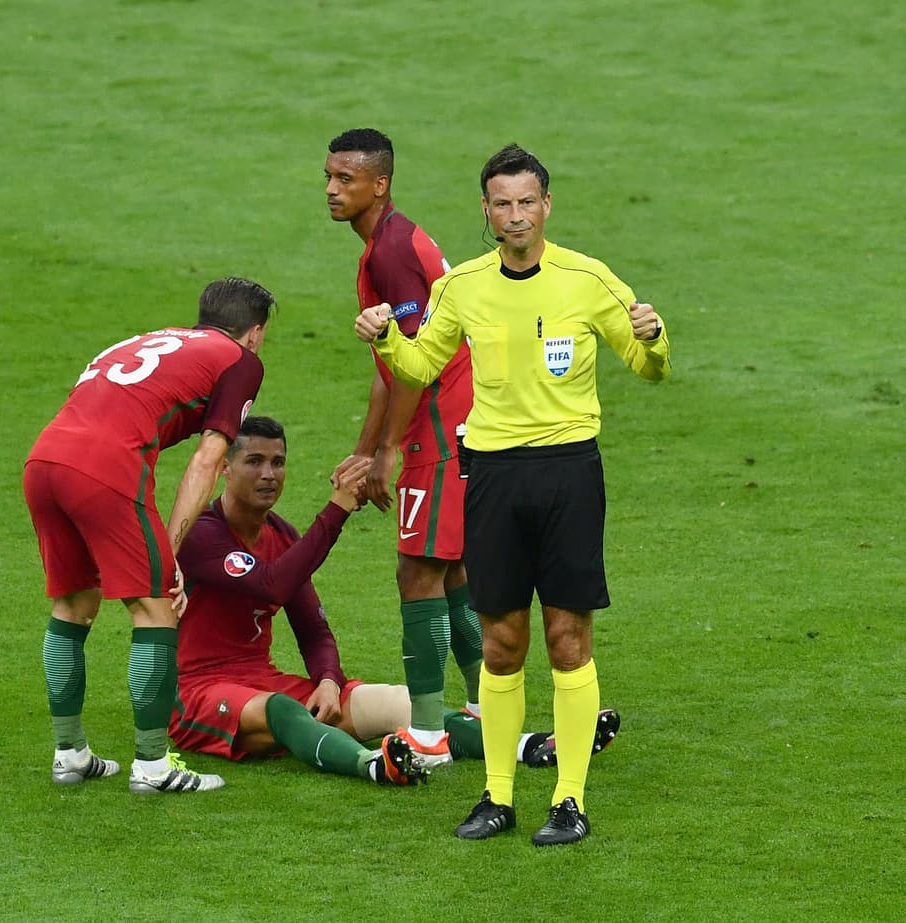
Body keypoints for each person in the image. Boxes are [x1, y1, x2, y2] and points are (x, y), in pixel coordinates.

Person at [354, 144, 670, 846]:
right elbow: (423, 361)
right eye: (503, 202)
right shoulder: (463, 286)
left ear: (547, 206)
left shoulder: (587, 279)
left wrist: (654, 338)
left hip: (567, 473)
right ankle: (496, 797)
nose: (516, 214)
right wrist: (385, 339)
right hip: (492, 474)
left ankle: (569, 800)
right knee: (501, 641)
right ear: (487, 211)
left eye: (528, 201)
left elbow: (647, 368)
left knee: (566, 636)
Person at [169, 416, 561, 783]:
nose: (269, 474)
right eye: (254, 461)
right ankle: (373, 764)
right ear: (224, 468)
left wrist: (326, 680)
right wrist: (337, 509)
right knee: (283, 709)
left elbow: (313, 628)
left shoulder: (281, 535)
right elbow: (271, 584)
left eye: (278, 462)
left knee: (398, 702)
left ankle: (528, 746)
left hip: (262, 682)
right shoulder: (202, 535)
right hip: (197, 692)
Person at [24, 276, 274, 795]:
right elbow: (209, 460)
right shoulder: (241, 361)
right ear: (253, 332)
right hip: (105, 467)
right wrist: (173, 552)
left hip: (45, 459)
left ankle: (69, 753)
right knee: (157, 605)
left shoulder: (149, 339)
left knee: (73, 605)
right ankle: (154, 766)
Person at [324, 127, 483, 769]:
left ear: (379, 184)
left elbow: (417, 365)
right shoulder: (386, 242)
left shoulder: (390, 252)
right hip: (450, 417)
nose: (333, 191)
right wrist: (365, 448)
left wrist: (390, 451)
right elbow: (387, 365)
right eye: (328, 178)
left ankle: (427, 732)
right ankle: (484, 708)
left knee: (417, 569)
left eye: (346, 179)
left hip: (443, 424)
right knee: (453, 569)